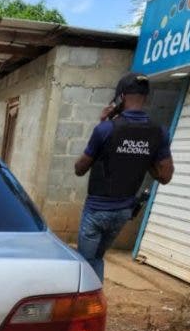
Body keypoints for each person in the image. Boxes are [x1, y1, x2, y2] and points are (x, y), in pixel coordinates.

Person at [73, 72, 174, 281]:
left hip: (97, 210)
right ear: (145, 97)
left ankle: (85, 303)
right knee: (98, 258)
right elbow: (165, 176)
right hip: (123, 212)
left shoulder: (106, 129)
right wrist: (143, 156)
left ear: (120, 97)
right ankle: (95, 298)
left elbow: (79, 168)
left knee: (84, 262)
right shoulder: (160, 132)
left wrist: (102, 126)